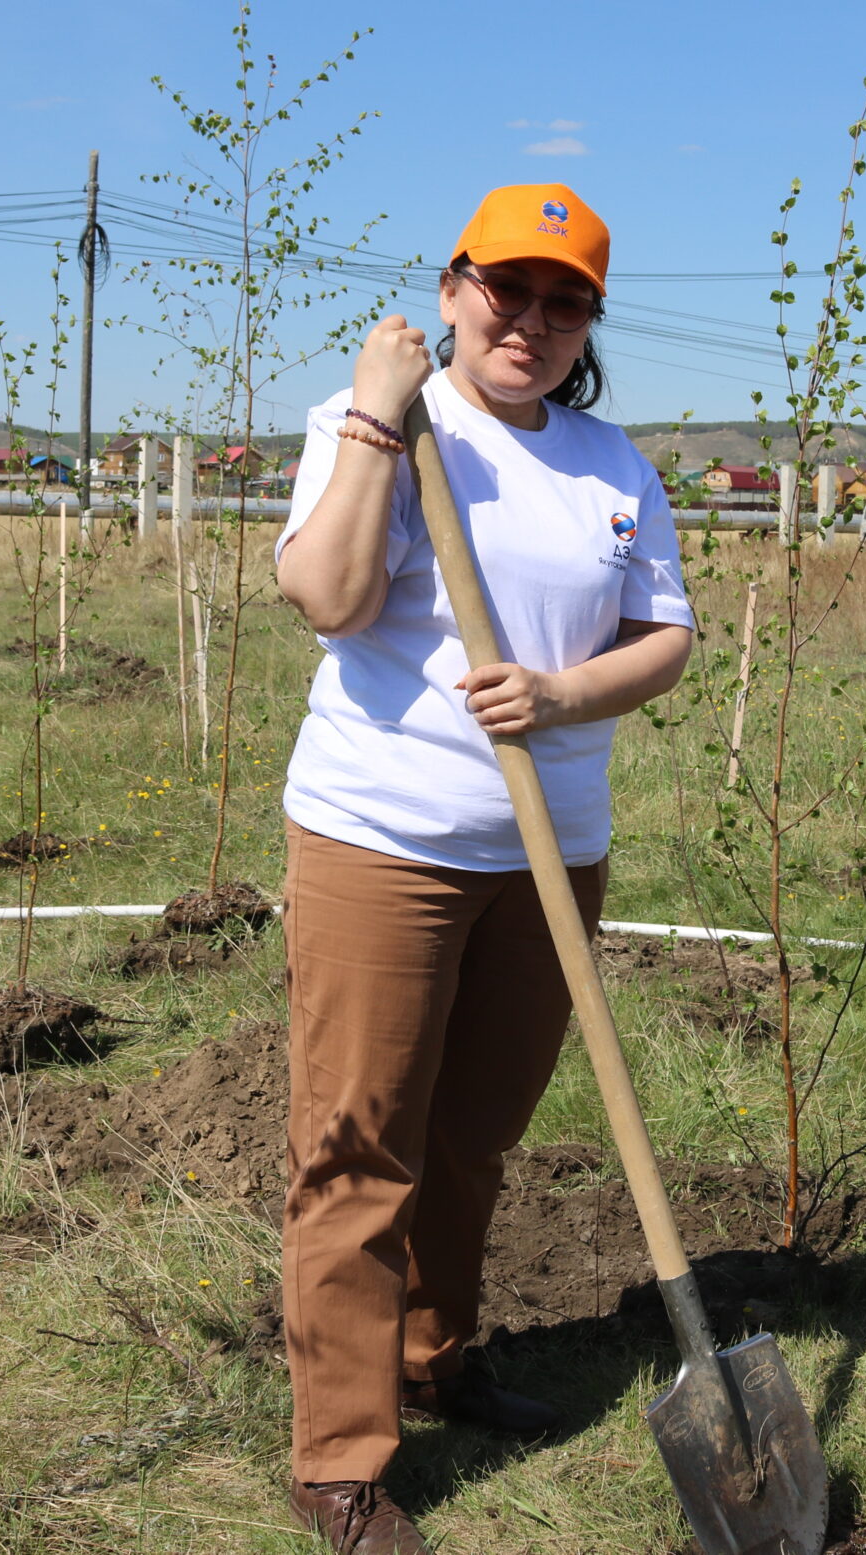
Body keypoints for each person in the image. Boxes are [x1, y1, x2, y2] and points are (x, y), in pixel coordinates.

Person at [270, 183, 695, 1555]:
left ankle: (435, 1349)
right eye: (507, 288)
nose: (533, 318)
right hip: (382, 837)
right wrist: (372, 415)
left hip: (553, 850)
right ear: (454, 288)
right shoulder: (395, 426)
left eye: (566, 299)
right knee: (359, 1140)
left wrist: (562, 692)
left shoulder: (615, 463)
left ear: (590, 324)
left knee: (475, 1132)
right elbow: (330, 596)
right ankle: (340, 1455)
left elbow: (667, 638)